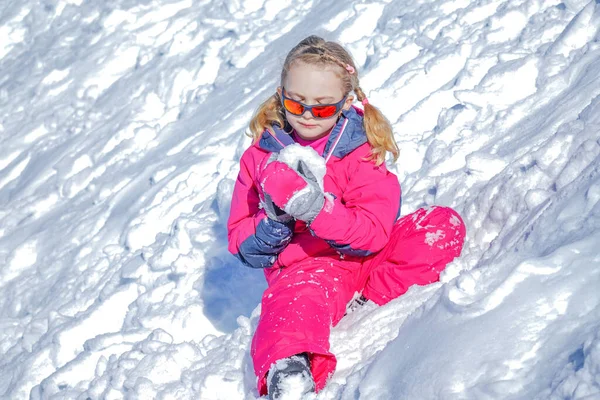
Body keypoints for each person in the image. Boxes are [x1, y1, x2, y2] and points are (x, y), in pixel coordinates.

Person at [227, 35, 466, 399]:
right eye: (296, 102)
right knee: (291, 303)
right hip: (307, 269)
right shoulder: (261, 157)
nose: (307, 115)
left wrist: (317, 209)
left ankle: (364, 301)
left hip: (366, 260)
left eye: (322, 107)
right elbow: (242, 243)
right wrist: (276, 221)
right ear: (281, 94)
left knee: (438, 226)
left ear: (346, 101)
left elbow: (374, 232)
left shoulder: (359, 151)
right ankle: (289, 373)